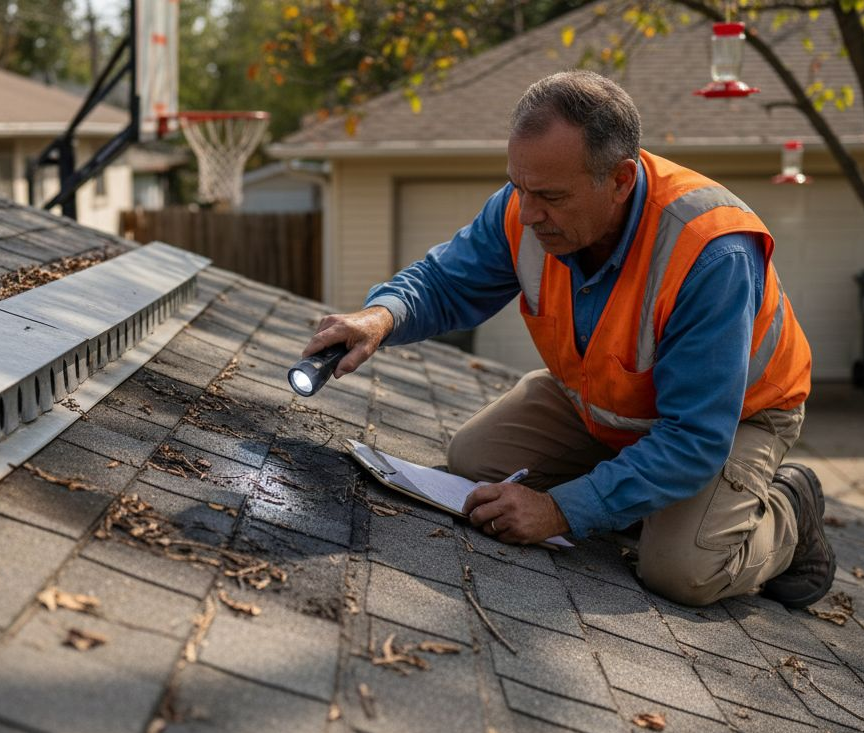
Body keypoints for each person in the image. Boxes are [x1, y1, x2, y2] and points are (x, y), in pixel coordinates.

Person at [303, 71, 834, 608]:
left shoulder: (712, 251)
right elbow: (446, 281)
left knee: (683, 571)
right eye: (519, 187)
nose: (529, 213)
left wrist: (560, 512)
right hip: (602, 401)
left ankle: (791, 509)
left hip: (735, 418)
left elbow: (694, 438)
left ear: (621, 180)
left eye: (551, 196)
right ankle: (643, 502)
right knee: (474, 463)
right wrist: (380, 317)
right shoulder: (525, 205)